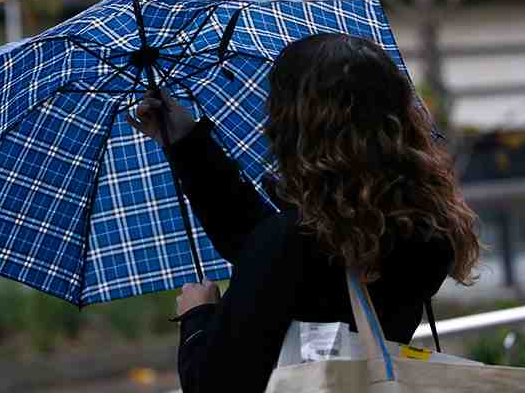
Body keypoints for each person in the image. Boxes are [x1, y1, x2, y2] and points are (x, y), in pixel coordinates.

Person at [126, 33, 480, 393]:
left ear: (293, 126)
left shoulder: (292, 245)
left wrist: (197, 318)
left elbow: (211, 384)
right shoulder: (425, 228)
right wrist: (187, 143)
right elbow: (270, 253)